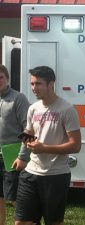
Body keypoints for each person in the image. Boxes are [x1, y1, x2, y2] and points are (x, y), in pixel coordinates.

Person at [15, 66, 82, 225]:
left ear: (51, 84)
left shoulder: (66, 109)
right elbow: (30, 132)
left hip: (56, 176)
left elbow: (76, 145)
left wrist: (45, 148)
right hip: (31, 172)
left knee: (53, 222)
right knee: (21, 222)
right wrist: (22, 150)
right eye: (32, 84)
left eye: (38, 84)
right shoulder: (33, 108)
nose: (34, 88)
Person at [0, 64, 30, 225]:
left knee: (15, 198)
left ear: (7, 79)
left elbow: (29, 128)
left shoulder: (18, 98)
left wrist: (23, 156)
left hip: (12, 154)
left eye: (0, 77)